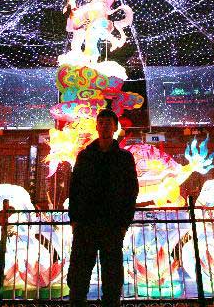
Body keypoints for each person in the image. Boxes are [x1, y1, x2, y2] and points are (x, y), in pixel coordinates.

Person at [67, 109, 139, 307]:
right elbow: (74, 189)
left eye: (109, 122)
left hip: (112, 225)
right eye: (102, 122)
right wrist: (74, 220)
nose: (105, 125)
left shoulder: (124, 158)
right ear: (97, 126)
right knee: (79, 278)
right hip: (85, 224)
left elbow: (131, 191)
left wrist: (124, 223)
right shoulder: (85, 156)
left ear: (115, 127)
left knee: (112, 278)